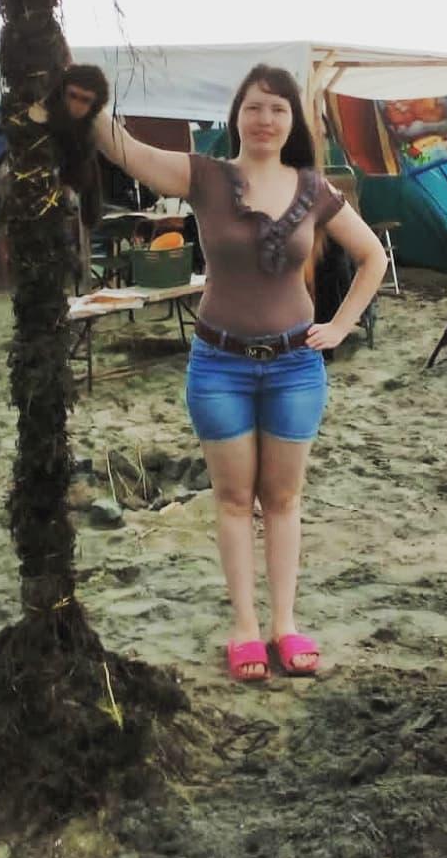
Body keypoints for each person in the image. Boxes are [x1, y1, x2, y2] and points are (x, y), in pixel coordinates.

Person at [89, 63, 387, 682]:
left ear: (293, 121)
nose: (265, 119)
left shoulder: (313, 188)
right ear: (236, 116)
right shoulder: (204, 176)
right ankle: (246, 628)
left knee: (282, 499)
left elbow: (371, 257)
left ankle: (285, 624)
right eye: (254, 107)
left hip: (295, 368)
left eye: (278, 109)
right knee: (231, 500)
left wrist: (339, 326)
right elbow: (125, 150)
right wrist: (85, 94)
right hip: (219, 366)